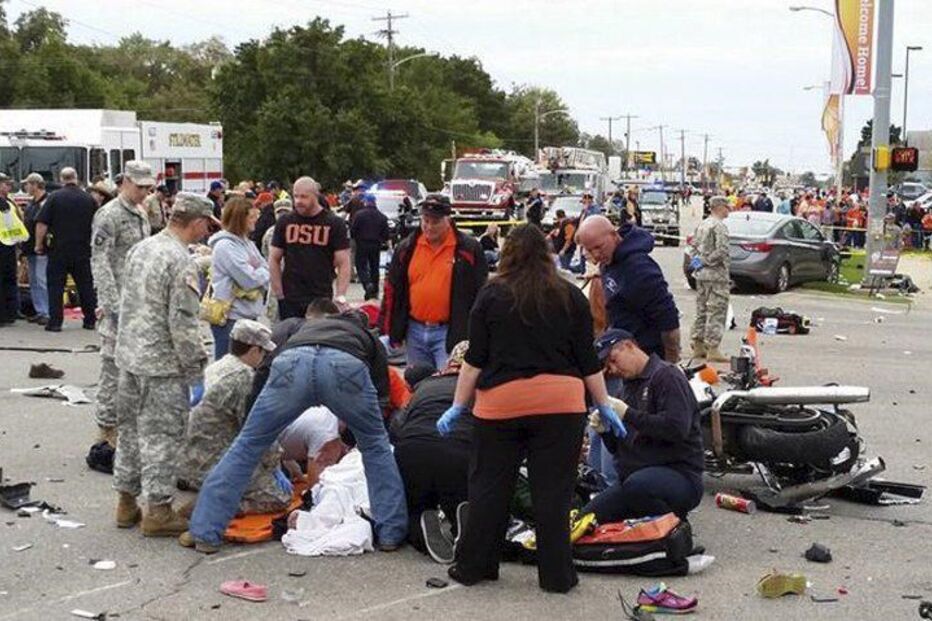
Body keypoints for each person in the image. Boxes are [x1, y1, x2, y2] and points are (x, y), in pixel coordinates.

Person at [436, 224, 626, 594]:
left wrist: (458, 405)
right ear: (547, 254)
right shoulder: (571, 296)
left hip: (500, 405)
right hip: (562, 403)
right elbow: (588, 361)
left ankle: (476, 566)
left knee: (489, 487)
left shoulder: (491, 295)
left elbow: (474, 360)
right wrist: (604, 404)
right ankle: (557, 576)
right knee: (553, 494)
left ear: (507, 254)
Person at [183, 309, 408, 554]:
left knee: (246, 446)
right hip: (345, 366)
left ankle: (205, 531)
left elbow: (265, 368)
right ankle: (391, 533)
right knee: (376, 447)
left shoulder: (303, 327)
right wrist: (352, 439)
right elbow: (381, 399)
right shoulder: (367, 337)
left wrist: (253, 426)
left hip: (292, 363)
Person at [112, 192, 214, 537]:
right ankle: (158, 511)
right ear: (197, 222)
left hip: (128, 357)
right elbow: (183, 324)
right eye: (204, 225)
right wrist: (196, 369)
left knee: (129, 432)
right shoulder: (179, 260)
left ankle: (126, 503)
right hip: (162, 365)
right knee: (162, 438)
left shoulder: (143, 248)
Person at [583, 329, 704, 523]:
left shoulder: (666, 376)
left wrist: (628, 414)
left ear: (629, 346)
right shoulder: (627, 388)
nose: (612, 369)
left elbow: (676, 428)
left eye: (613, 360)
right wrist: (605, 431)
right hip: (635, 477)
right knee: (586, 520)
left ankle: (675, 529)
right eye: (607, 367)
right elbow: (620, 448)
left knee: (637, 486)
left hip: (678, 474)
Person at [178, 320, 290, 517]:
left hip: (189, 455)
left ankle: (201, 484)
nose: (264, 358)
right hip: (211, 458)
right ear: (255, 350)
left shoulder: (219, 365)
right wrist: (275, 465)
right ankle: (216, 504)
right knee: (279, 497)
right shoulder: (244, 378)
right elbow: (256, 430)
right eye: (264, 352)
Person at [88, 162, 153, 453]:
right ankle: (105, 432)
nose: (143, 192)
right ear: (124, 181)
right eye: (139, 186)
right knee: (112, 369)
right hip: (118, 304)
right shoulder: (109, 214)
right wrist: (111, 305)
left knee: (135, 369)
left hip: (141, 303)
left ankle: (127, 428)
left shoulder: (141, 213)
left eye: (146, 187)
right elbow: (99, 261)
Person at [381, 194, 488, 370]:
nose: (429, 226)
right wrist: (392, 330)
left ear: (448, 219)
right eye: (425, 220)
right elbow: (392, 289)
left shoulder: (467, 250)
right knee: (416, 387)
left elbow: (481, 292)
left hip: (451, 332)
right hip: (414, 330)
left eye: (435, 222)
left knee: (446, 387)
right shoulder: (407, 248)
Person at [391, 341, 473, 562]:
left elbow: (397, 424)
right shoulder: (483, 385)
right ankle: (463, 524)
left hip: (412, 448)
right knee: (458, 495)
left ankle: (422, 525)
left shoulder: (426, 384)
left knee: (416, 505)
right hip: (458, 448)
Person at [577, 215, 681, 362]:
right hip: (619, 351)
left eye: (599, 247)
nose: (595, 255)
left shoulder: (639, 268)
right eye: (589, 250)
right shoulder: (609, 262)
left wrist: (670, 364)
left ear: (614, 235)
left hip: (646, 357)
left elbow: (668, 319)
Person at [269, 176, 351, 320]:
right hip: (290, 296)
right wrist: (279, 294)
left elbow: (343, 262)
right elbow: (274, 258)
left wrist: (340, 295)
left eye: (304, 197)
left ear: (315, 196)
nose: (299, 201)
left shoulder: (333, 223)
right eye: (296, 196)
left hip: (320, 296)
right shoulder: (285, 222)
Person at [34, 167, 98, 332]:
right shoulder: (88, 199)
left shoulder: (54, 198)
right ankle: (90, 320)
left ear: (61, 179)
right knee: (85, 286)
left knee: (55, 286)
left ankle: (55, 322)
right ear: (76, 178)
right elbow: (97, 224)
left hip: (58, 250)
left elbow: (42, 223)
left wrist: (39, 244)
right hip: (83, 250)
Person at [206, 196, 270, 359]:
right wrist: (260, 272)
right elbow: (249, 280)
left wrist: (259, 271)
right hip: (231, 318)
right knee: (228, 366)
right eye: (252, 217)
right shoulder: (225, 247)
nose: (256, 220)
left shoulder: (247, 243)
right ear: (240, 219)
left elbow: (265, 267)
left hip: (247, 314)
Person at [689, 196, 731, 362]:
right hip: (716, 276)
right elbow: (722, 251)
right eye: (727, 206)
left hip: (701, 275)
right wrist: (707, 262)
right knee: (717, 310)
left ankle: (698, 344)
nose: (729, 209)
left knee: (702, 310)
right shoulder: (719, 226)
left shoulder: (702, 224)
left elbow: (692, 248)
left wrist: (698, 264)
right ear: (719, 207)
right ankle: (713, 347)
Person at [20, 173, 50, 325]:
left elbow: (43, 224)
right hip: (30, 248)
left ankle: (47, 311)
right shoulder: (32, 203)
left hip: (41, 249)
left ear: (35, 185)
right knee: (34, 281)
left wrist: (40, 244)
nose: (25, 187)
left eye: (27, 184)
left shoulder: (46, 202)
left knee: (42, 279)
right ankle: (40, 310)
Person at [350, 193, 390, 300]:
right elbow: (386, 234)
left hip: (362, 244)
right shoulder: (381, 216)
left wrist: (355, 239)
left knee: (361, 266)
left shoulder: (359, 215)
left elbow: (353, 230)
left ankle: (367, 284)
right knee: (374, 267)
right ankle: (374, 290)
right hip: (376, 244)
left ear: (366, 202)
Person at [0, 173, 22, 326]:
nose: (8, 187)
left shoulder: (7, 202)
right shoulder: (6, 204)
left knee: (6, 280)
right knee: (7, 280)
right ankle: (8, 313)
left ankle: (7, 313)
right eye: (5, 184)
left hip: (5, 246)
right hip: (6, 246)